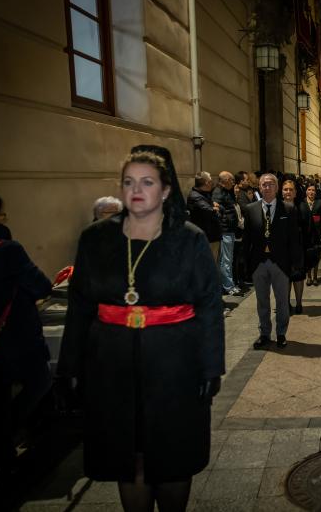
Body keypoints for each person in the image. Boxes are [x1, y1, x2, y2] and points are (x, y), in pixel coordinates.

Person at [57, 145, 225, 512]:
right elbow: (81, 304)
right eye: (128, 181)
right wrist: (70, 365)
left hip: (175, 365)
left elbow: (209, 304)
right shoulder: (96, 239)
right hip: (112, 367)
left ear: (165, 190)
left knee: (172, 456)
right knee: (128, 454)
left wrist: (211, 365)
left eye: (147, 182)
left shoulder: (189, 238)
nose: (136, 189)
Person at [0, 192, 52, 488]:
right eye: (2, 214)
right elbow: (41, 285)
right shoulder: (6, 249)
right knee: (39, 383)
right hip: (12, 335)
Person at [243, 174, 303, 349]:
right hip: (259, 263)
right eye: (263, 185)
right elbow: (247, 239)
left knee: (282, 301)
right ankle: (264, 333)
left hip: (280, 263)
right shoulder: (251, 209)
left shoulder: (288, 209)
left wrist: (295, 263)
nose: (267, 187)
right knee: (262, 301)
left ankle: (281, 333)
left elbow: (294, 239)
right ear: (259, 188)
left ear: (277, 188)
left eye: (270, 184)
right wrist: (247, 263)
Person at [212, 171, 242, 296]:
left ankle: (228, 284)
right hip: (225, 231)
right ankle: (228, 286)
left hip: (229, 230)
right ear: (224, 181)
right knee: (226, 260)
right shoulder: (218, 193)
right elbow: (217, 211)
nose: (233, 182)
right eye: (231, 180)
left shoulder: (225, 192)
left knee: (227, 260)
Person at [282, 180, 306, 314]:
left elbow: (307, 228)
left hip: (298, 248)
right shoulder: (276, 207)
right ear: (281, 192)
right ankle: (286, 303)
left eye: (291, 189)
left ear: (295, 192)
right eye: (285, 189)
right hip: (282, 250)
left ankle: (299, 304)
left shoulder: (301, 207)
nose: (288, 192)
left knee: (298, 276)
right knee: (285, 278)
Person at [186, 171, 222, 260]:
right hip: (206, 238)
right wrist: (215, 208)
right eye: (211, 181)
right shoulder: (196, 196)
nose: (212, 183)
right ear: (206, 182)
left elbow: (219, 208)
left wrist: (216, 208)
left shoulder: (204, 194)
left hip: (211, 237)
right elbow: (212, 212)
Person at [301, 184, 321, 285]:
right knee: (307, 256)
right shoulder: (301, 203)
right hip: (306, 234)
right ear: (306, 191)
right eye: (309, 190)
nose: (311, 192)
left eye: (313, 190)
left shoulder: (320, 203)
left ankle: (315, 277)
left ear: (316, 192)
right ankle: (309, 277)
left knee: (316, 256)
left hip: (317, 233)